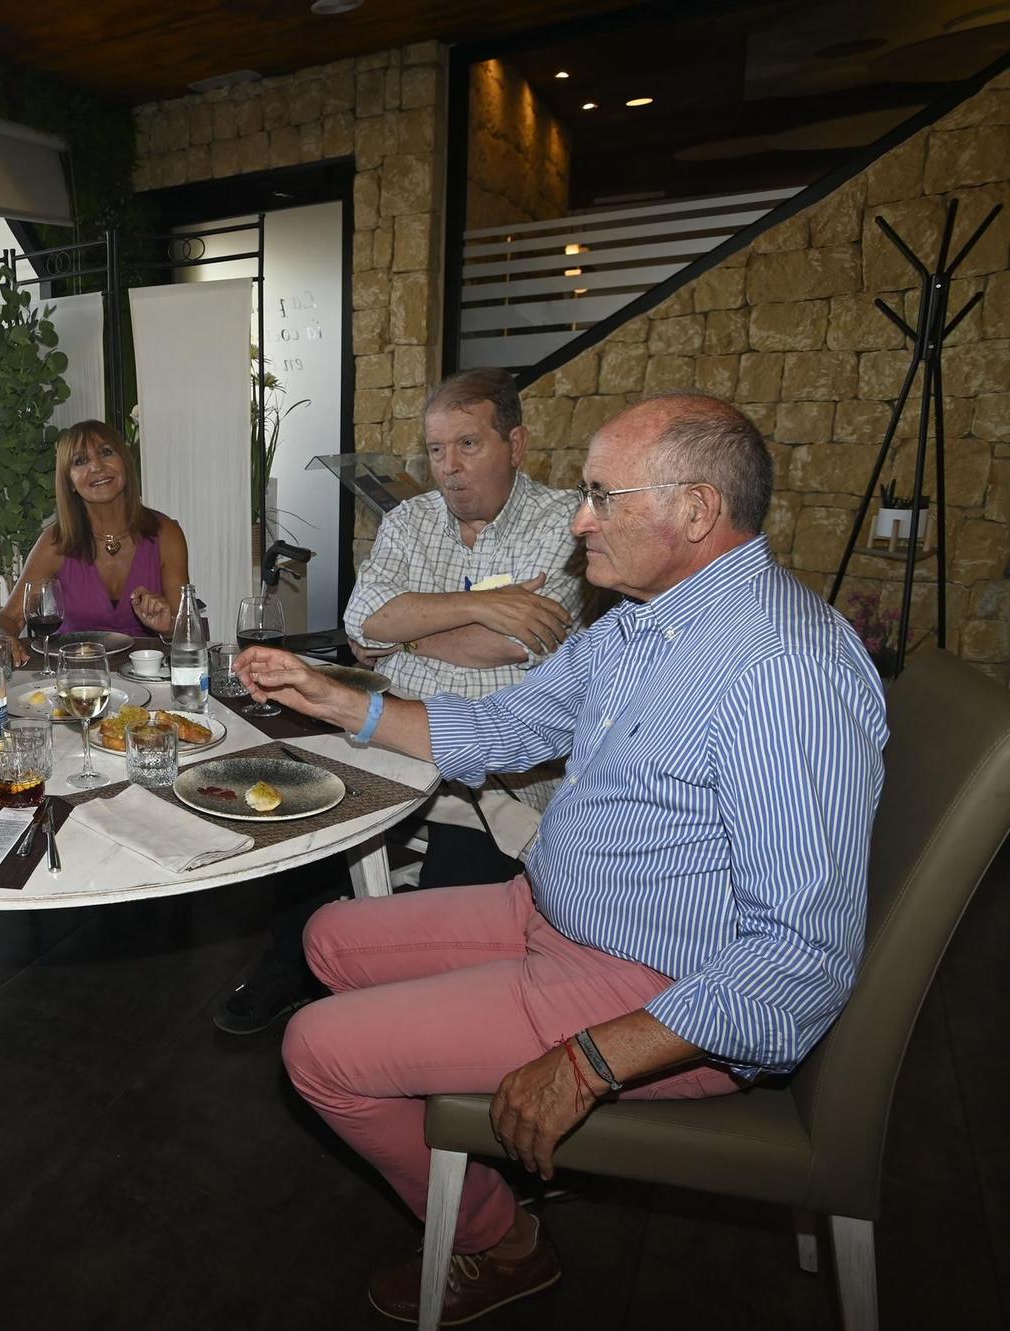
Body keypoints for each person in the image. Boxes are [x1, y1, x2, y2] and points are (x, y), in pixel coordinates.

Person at [236, 393, 887, 1326]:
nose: (578, 518)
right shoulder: (640, 623)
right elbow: (505, 723)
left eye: (600, 496)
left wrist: (586, 1062)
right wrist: (331, 697)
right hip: (552, 912)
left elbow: (798, 959)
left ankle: (501, 1239)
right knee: (329, 937)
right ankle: (443, 1110)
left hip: (651, 986)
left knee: (314, 1051)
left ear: (696, 512)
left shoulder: (785, 672)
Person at [215, 369, 587, 1036]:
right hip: (385, 733)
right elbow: (361, 624)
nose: (449, 468)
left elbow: (525, 645)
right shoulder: (410, 520)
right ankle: (290, 966)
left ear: (517, 443)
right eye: (437, 450)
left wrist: (407, 638)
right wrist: (481, 605)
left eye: (468, 445)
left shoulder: (564, 522)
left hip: (499, 769)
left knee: (447, 920)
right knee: (305, 815)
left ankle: (399, 1016)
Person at [0, 419, 190, 658]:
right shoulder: (55, 542)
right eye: (80, 461)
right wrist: (1, 638)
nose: (97, 466)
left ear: (125, 463)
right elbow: (9, 618)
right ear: (70, 482)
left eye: (106, 452)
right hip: (75, 680)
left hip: (149, 676)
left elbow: (187, 629)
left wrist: (170, 626)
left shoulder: (167, 534)